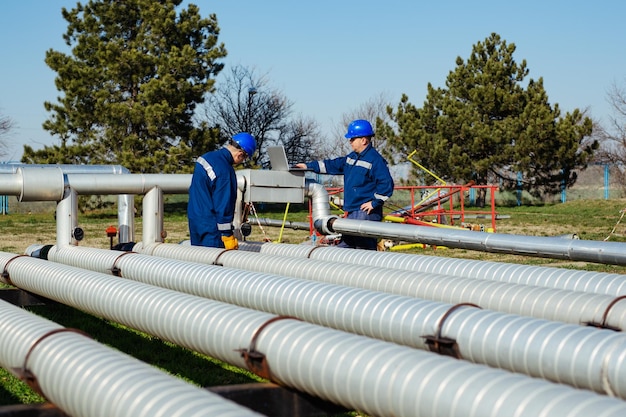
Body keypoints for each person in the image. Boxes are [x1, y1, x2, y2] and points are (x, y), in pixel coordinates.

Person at [296, 119, 394, 250]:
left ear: (363, 140)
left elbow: (386, 184)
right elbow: (333, 165)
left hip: (365, 213)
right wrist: (307, 166)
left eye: (353, 139)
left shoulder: (375, 160)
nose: (350, 141)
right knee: (346, 247)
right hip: (353, 210)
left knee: (363, 251)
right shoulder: (352, 157)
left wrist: (374, 203)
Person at [188, 132, 256, 249]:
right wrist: (227, 235)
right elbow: (223, 206)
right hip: (212, 229)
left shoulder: (205, 158)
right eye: (244, 158)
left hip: (195, 221)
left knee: (197, 263)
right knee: (213, 265)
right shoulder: (225, 171)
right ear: (240, 154)